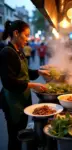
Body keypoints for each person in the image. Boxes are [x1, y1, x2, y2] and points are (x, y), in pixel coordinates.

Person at [0, 20, 49, 150]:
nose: (27, 39)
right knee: (15, 137)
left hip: (21, 100)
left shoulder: (18, 51)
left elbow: (25, 73)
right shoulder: (7, 52)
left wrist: (39, 71)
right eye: (26, 35)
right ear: (16, 33)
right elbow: (9, 82)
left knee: (20, 133)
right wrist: (33, 86)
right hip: (12, 103)